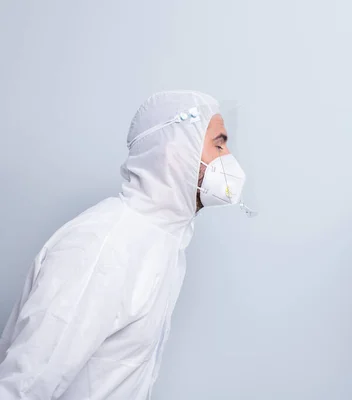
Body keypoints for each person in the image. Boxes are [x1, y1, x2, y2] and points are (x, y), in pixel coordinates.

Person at [0, 90, 252, 399]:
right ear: (176, 152)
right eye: (218, 143)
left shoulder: (162, 243)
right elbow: (24, 386)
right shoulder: (104, 246)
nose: (228, 158)